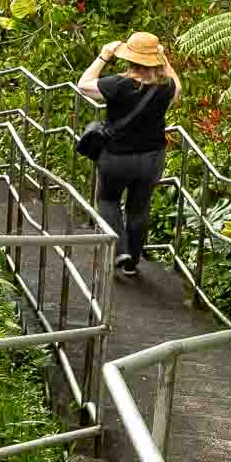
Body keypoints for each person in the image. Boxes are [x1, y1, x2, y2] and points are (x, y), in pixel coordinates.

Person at [75, 31, 178, 277]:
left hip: (117, 157)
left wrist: (103, 56)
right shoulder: (166, 86)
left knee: (108, 200)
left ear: (130, 58)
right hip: (152, 158)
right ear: (155, 58)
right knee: (139, 208)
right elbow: (179, 87)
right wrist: (164, 59)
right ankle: (132, 258)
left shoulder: (119, 84)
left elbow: (83, 85)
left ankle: (119, 249)